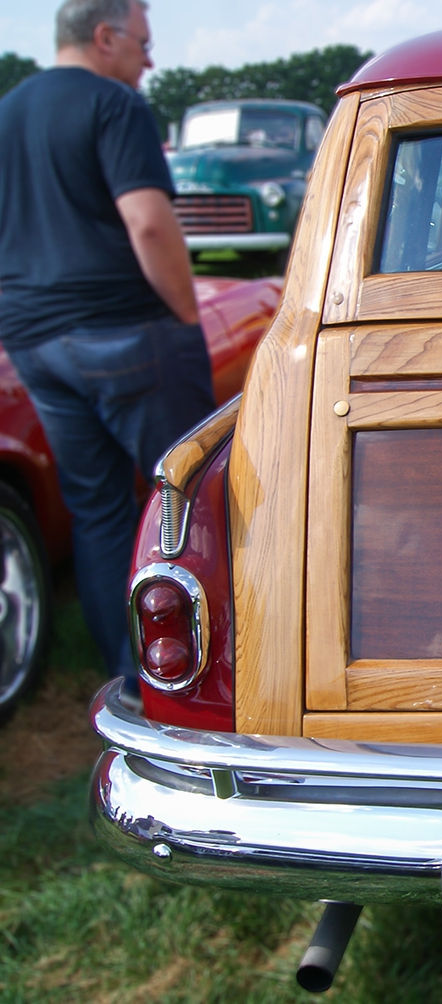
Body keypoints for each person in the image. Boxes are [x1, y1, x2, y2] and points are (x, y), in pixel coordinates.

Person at [0, 0, 212, 698]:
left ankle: (126, 675)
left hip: (34, 339)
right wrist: (186, 315)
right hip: (127, 330)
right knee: (190, 497)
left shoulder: (7, 112)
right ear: (104, 37)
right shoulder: (115, 106)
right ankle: (200, 672)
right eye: (143, 45)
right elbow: (149, 225)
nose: (149, 62)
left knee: (96, 511)